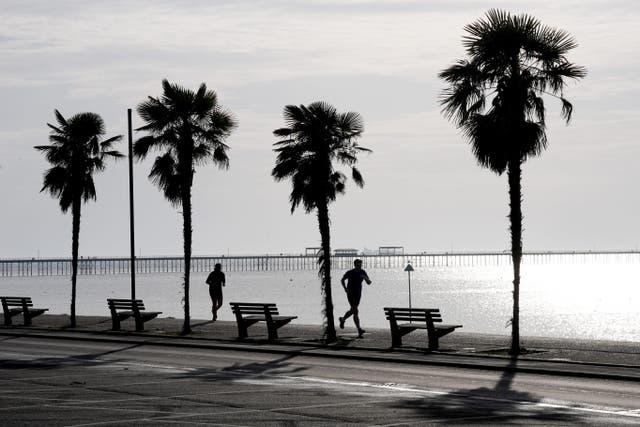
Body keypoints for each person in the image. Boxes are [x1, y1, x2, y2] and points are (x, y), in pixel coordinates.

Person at [339, 259, 372, 337]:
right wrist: (345, 289)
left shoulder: (362, 272)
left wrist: (365, 277)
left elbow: (369, 283)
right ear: (355, 265)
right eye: (358, 265)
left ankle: (343, 319)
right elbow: (342, 280)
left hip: (358, 294)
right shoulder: (350, 272)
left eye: (360, 265)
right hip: (350, 293)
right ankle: (359, 330)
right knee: (355, 311)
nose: (360, 266)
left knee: (353, 310)